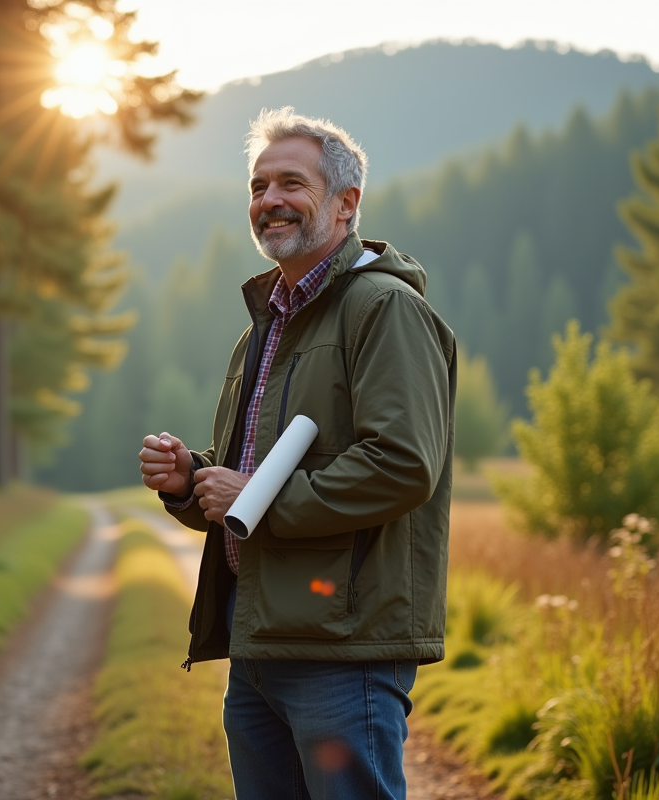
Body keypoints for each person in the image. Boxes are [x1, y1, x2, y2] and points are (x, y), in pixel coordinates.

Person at [137, 107, 457, 800]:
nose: (269, 200)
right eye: (257, 186)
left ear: (346, 205)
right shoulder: (262, 332)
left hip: (340, 644)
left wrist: (250, 497)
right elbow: (245, 485)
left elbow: (403, 465)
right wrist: (193, 479)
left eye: (291, 182)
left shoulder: (384, 310)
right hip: (261, 641)